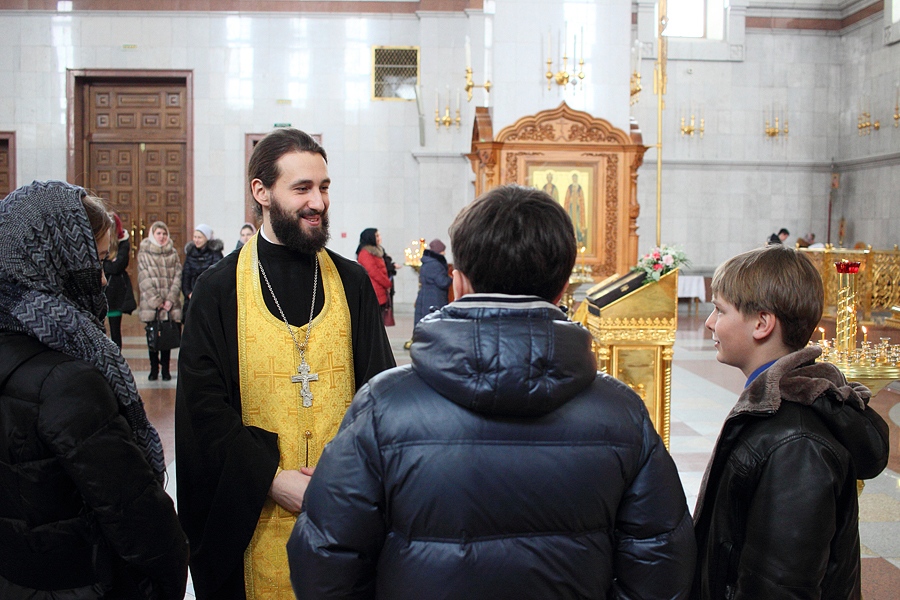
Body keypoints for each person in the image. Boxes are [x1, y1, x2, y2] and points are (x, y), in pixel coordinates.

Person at [287, 184, 696, 599]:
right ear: (562, 288)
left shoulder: (384, 405)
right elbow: (661, 565)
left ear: (459, 281)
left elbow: (325, 558)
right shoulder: (621, 412)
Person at [175, 128, 395, 599]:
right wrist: (270, 480)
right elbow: (202, 410)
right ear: (262, 192)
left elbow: (380, 396)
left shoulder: (352, 282)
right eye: (302, 189)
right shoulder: (218, 290)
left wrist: (346, 480)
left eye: (324, 187)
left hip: (346, 512)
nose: (318, 202)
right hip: (249, 518)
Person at [0, 180, 188, 598]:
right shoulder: (69, 380)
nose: (103, 280)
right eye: (97, 261)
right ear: (59, 260)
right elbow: (137, 516)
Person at [693, 244, 889, 599]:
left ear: (762, 323)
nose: (710, 322)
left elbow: (781, 586)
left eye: (720, 310)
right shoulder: (775, 412)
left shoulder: (796, 443)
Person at [137, 221, 183, 381]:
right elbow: (143, 278)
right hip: (152, 305)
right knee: (153, 337)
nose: (162, 237)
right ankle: (153, 369)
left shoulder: (173, 253)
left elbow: (178, 276)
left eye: (164, 233)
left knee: (167, 338)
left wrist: (170, 299)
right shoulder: (144, 253)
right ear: (152, 234)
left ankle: (165, 369)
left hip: (170, 304)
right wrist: (157, 301)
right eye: (158, 233)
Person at [103, 212, 137, 348]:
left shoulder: (123, 243)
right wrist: (107, 264)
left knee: (115, 330)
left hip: (116, 291)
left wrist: (106, 265)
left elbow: (117, 266)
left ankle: (116, 356)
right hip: (101, 290)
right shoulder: (98, 241)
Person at [182, 222, 224, 315]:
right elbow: (186, 275)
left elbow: (217, 277)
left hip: (210, 298)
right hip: (192, 297)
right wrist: (188, 293)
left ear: (206, 238)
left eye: (199, 237)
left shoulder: (215, 254)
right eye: (195, 237)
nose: (196, 240)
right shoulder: (190, 253)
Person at [355, 227, 393, 324]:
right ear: (370, 237)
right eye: (377, 236)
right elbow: (374, 272)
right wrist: (387, 284)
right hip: (373, 290)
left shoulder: (377, 251)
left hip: (379, 290)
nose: (379, 238)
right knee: (373, 322)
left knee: (379, 321)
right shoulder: (365, 253)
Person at [413, 238, 452, 326]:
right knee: (435, 323)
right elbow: (443, 282)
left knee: (425, 323)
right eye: (443, 251)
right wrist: (450, 278)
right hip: (435, 298)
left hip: (425, 297)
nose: (444, 253)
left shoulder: (427, 262)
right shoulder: (436, 264)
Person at [564, 172, 587, 246]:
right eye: (573, 178)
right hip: (571, 208)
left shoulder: (579, 188)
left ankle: (579, 240)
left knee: (577, 223)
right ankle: (570, 240)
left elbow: (582, 199)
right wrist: (570, 200)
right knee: (570, 223)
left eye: (575, 178)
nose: (574, 179)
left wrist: (578, 201)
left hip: (577, 209)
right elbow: (567, 198)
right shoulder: (570, 187)